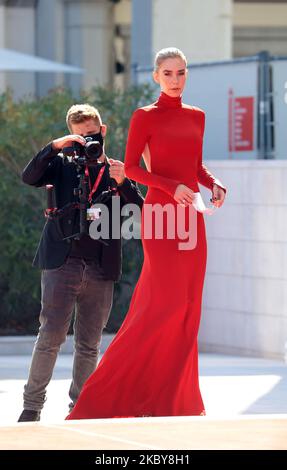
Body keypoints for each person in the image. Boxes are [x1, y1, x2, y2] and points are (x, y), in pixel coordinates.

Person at [67, 47, 226, 420]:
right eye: (168, 73)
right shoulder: (145, 116)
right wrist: (172, 187)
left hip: (192, 215)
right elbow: (132, 169)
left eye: (181, 73)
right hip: (161, 214)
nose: (175, 80)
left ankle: (177, 400)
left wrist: (214, 183)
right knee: (160, 305)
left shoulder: (198, 116)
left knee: (187, 307)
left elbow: (195, 165)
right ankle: (112, 395)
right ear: (156, 76)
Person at [18, 104, 144, 422]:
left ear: (102, 132)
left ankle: (81, 407)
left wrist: (125, 182)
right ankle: (32, 408)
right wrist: (56, 145)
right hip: (63, 262)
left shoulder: (116, 170)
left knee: (89, 343)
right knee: (50, 337)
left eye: (91, 135)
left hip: (101, 266)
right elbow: (28, 176)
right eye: (79, 137)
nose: (87, 142)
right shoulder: (60, 166)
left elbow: (141, 213)